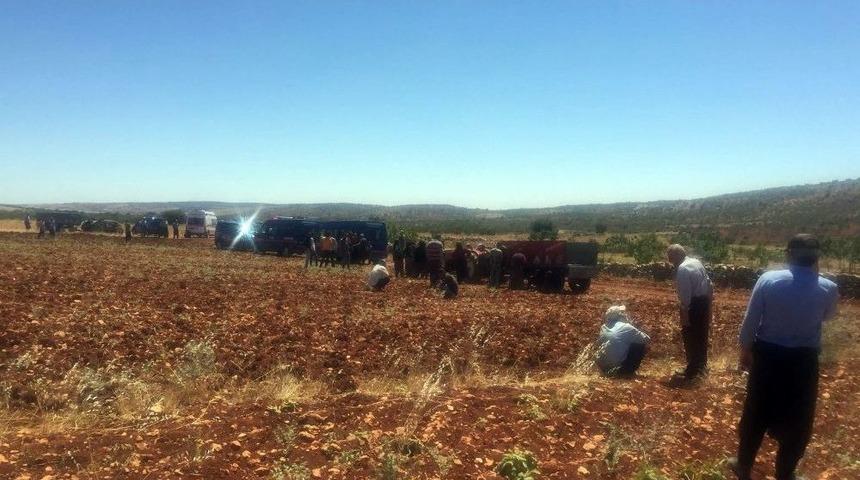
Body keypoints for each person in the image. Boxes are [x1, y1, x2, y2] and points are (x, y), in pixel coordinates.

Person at [730, 234, 839, 480]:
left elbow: (751, 321)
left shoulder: (768, 280)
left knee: (756, 412)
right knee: (798, 418)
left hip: (768, 356)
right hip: (803, 361)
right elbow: (828, 316)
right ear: (816, 258)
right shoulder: (828, 288)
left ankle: (743, 465)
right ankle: (785, 473)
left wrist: (745, 350)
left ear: (788, 254)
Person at [667, 244, 713, 380]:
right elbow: (709, 283)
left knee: (690, 336)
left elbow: (685, 297)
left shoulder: (682, 269)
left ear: (676, 256)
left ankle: (692, 370)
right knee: (702, 336)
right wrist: (709, 305)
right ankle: (702, 367)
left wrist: (684, 314)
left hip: (693, 306)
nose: (671, 262)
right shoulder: (696, 262)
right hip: (704, 302)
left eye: (671, 258)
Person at [596, 306, 651, 376]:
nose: (625, 314)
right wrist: (632, 326)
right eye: (622, 313)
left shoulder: (603, 327)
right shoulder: (626, 327)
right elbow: (647, 339)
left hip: (603, 369)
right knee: (639, 344)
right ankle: (628, 373)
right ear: (620, 315)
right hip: (619, 370)